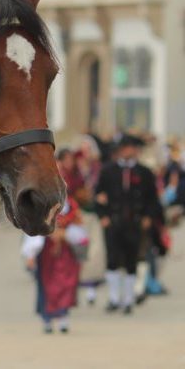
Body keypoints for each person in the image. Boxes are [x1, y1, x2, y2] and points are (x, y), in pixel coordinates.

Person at [94, 133, 161, 314]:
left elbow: (153, 199)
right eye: (124, 148)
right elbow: (98, 195)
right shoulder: (108, 170)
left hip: (135, 223)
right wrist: (103, 216)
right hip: (113, 222)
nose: (128, 151)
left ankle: (129, 298)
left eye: (131, 148)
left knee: (132, 260)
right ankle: (114, 298)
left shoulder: (144, 172)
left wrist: (148, 216)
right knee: (113, 259)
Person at [21, 197, 88, 334]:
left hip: (65, 249)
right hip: (46, 251)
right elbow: (34, 227)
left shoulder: (71, 204)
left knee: (67, 283)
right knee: (46, 284)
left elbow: (78, 226)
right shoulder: (40, 203)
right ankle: (47, 319)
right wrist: (30, 253)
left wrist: (65, 234)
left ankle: (63, 315)